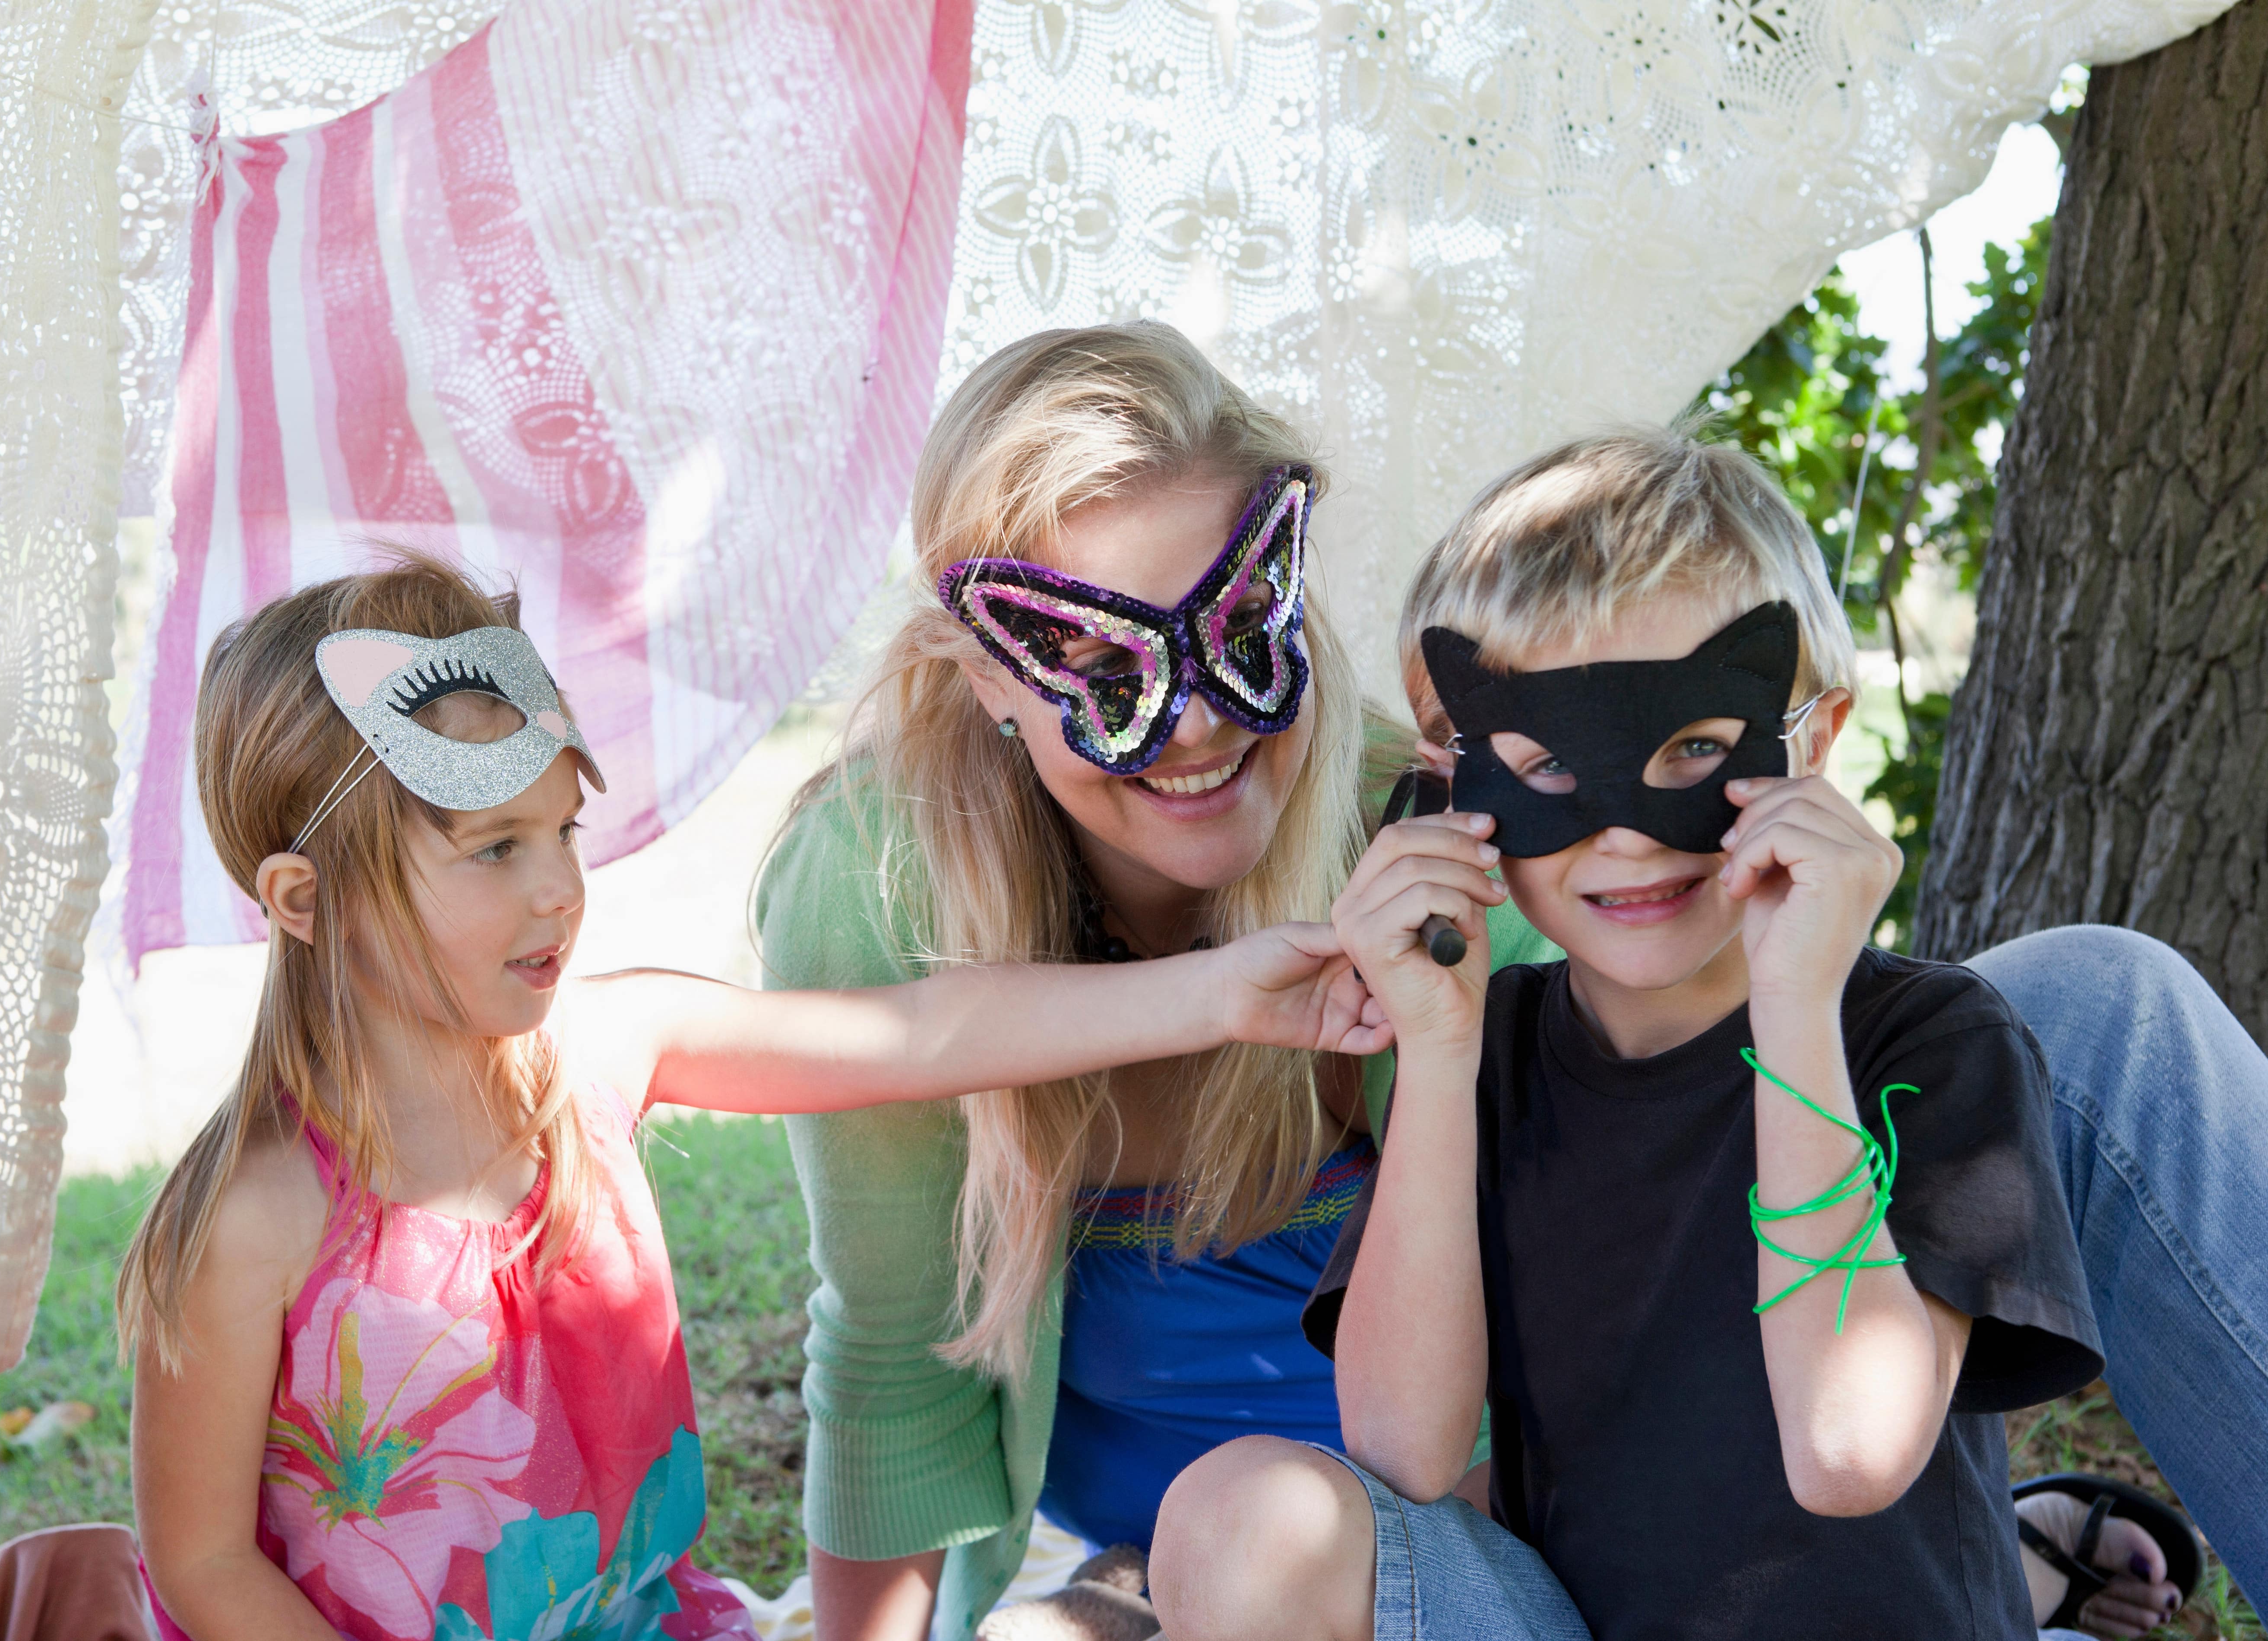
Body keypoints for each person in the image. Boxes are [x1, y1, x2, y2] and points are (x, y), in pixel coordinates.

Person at [115, 554, 1406, 1641]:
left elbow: (915, 1032)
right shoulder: (258, 1215)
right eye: (492, 849)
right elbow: (204, 1564)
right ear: (303, 902)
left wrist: (1222, 993)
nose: (558, 890)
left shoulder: (597, 1053)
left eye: (563, 831)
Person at [1146, 428, 2214, 1641]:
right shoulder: (1487, 1052)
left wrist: (1796, 1007)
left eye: (1694, 749)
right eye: (1544, 763)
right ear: (1451, 778)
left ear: (1808, 743)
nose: (1627, 836)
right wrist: (1435, 1056)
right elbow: (1403, 1449)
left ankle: (2040, 1588)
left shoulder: (1922, 1040)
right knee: (1238, 1512)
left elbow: (1845, 1453)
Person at [756, 321, 1562, 1641]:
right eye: (1099, 668)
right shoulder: (876, 890)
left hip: (1446, 1542)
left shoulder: (1423, 845)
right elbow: (898, 1360)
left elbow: (1588, 1333)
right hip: (1119, 1571)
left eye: (1241, 627)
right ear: (987, 683)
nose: (1193, 726)